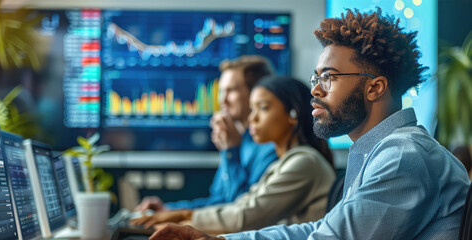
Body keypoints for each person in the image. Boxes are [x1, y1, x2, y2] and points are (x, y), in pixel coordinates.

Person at [148, 8, 470, 240]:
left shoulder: (403, 156)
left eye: (328, 78)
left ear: (375, 88)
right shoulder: (378, 151)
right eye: (317, 77)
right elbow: (322, 229)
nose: (314, 89)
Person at [132, 76, 335, 233]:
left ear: (293, 115)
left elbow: (245, 217)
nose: (252, 118)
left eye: (262, 108)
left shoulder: (304, 162)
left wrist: (182, 217)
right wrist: (175, 216)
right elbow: (241, 205)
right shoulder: (286, 162)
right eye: (252, 109)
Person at [136, 56, 278, 212]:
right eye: (221, 91)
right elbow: (218, 201)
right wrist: (169, 210)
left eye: (231, 91)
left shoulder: (270, 147)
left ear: (256, 93)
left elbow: (240, 210)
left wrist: (231, 152)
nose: (223, 101)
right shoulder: (238, 140)